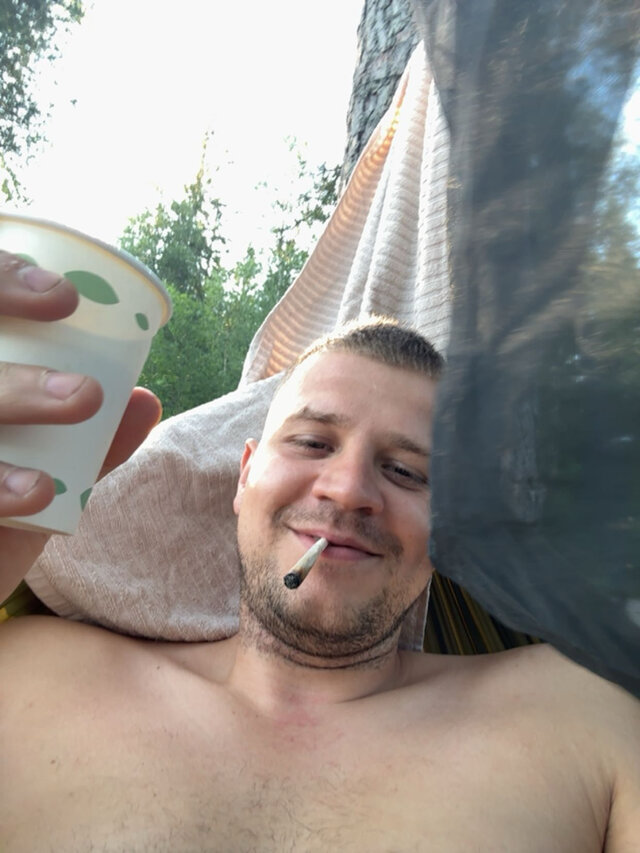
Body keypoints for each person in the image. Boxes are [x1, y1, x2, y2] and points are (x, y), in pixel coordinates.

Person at [0, 252, 638, 852]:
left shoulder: (585, 716)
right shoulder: (27, 674)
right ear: (244, 476)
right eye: (311, 442)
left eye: (407, 472)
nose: (349, 489)